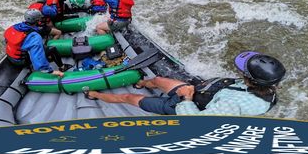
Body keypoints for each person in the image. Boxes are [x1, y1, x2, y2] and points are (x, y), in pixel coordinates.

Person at [84, 51, 285, 116]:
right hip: (197, 93)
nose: (239, 72)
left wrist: (187, 98)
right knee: (158, 80)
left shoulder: (232, 105)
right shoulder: (265, 87)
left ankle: (94, 95)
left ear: (250, 78)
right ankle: (144, 83)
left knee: (128, 98)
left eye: (242, 71)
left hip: (183, 105)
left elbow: (196, 122)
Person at [4, 10, 70, 76]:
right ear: (37, 20)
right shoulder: (35, 37)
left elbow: (7, 41)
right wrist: (50, 71)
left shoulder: (15, 27)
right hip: (20, 61)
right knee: (52, 49)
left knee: (41, 48)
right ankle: (62, 67)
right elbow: (38, 58)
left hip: (10, 57)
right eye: (39, 19)